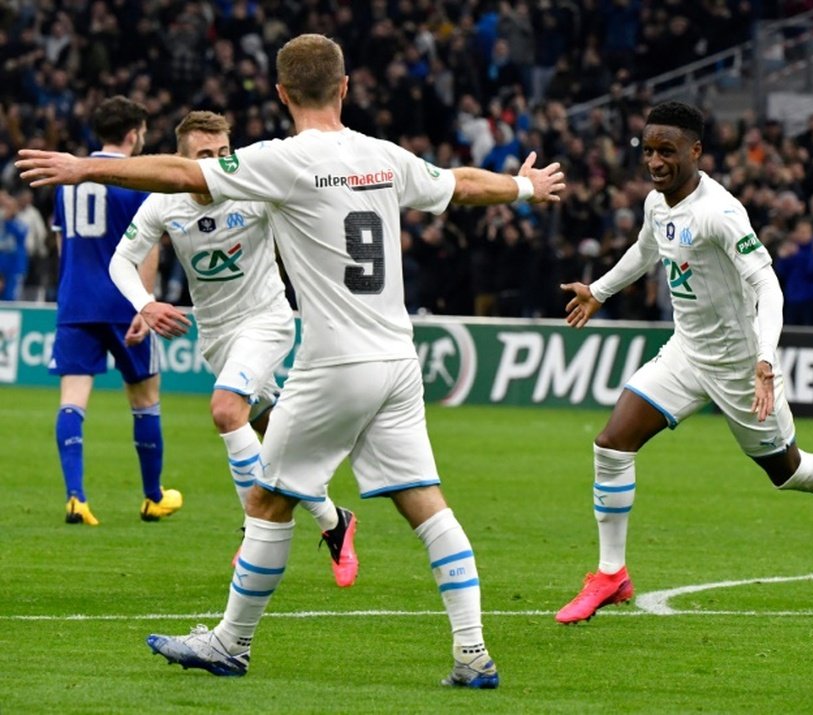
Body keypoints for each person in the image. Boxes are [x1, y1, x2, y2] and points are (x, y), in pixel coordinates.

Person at [18, 34, 565, 687]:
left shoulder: (280, 160)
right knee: (425, 501)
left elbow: (180, 175)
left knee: (269, 500)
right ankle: (473, 652)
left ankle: (230, 642)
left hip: (335, 364)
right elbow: (461, 185)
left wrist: (88, 167)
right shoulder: (383, 155)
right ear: (346, 87)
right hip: (397, 358)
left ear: (280, 94)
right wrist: (524, 187)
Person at [555, 101, 813, 625]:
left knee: (787, 471)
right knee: (612, 443)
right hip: (686, 352)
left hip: (739, 364)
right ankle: (611, 574)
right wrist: (599, 292)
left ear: (695, 152)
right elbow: (645, 249)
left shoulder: (720, 213)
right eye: (650, 150)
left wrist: (766, 360)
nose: (655, 162)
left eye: (668, 152)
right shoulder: (659, 204)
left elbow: (767, 285)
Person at [107, 110, 357, 587]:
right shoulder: (166, 202)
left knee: (226, 411)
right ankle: (334, 521)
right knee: (274, 436)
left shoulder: (252, 185)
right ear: (183, 161)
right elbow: (122, 260)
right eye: (205, 156)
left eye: (224, 153)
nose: (219, 163)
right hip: (218, 335)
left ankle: (254, 530)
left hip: (266, 320)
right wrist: (146, 304)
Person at [48, 95, 182, 526]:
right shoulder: (135, 180)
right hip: (124, 304)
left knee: (72, 400)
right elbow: (146, 251)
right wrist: (145, 304)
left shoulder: (68, 177)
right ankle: (152, 497)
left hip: (75, 301)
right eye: (142, 133)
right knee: (145, 398)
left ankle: (76, 498)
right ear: (132, 134)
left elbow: (60, 245)